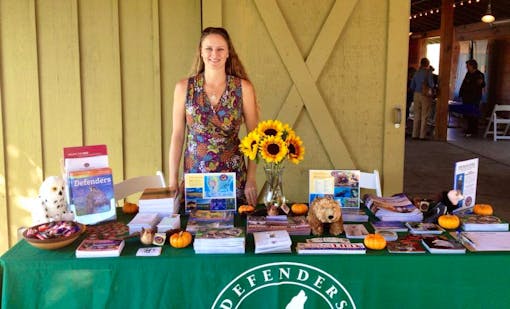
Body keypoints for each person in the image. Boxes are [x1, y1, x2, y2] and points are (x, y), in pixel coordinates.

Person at [168, 27, 259, 205]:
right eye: (208, 48)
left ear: (228, 53)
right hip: (196, 177)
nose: (214, 54)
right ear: (201, 52)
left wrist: (251, 178)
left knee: (233, 228)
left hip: (232, 179)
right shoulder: (184, 88)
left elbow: (254, 137)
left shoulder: (243, 88)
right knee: (194, 228)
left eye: (220, 49)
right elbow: (178, 135)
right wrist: (172, 180)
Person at [459, 59, 486, 137]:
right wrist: (461, 94)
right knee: (467, 114)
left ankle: (473, 130)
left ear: (472, 66)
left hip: (474, 98)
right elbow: (464, 84)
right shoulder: (468, 74)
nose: (467, 67)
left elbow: (483, 84)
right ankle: (469, 128)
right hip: (466, 98)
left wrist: (481, 83)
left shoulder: (479, 74)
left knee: (473, 114)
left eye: (468, 66)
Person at [410, 57, 434, 140]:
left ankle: (414, 134)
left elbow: (412, 85)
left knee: (416, 114)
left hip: (416, 94)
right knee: (425, 115)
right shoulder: (428, 73)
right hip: (425, 95)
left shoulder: (416, 73)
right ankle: (422, 135)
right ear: (427, 64)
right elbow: (431, 84)